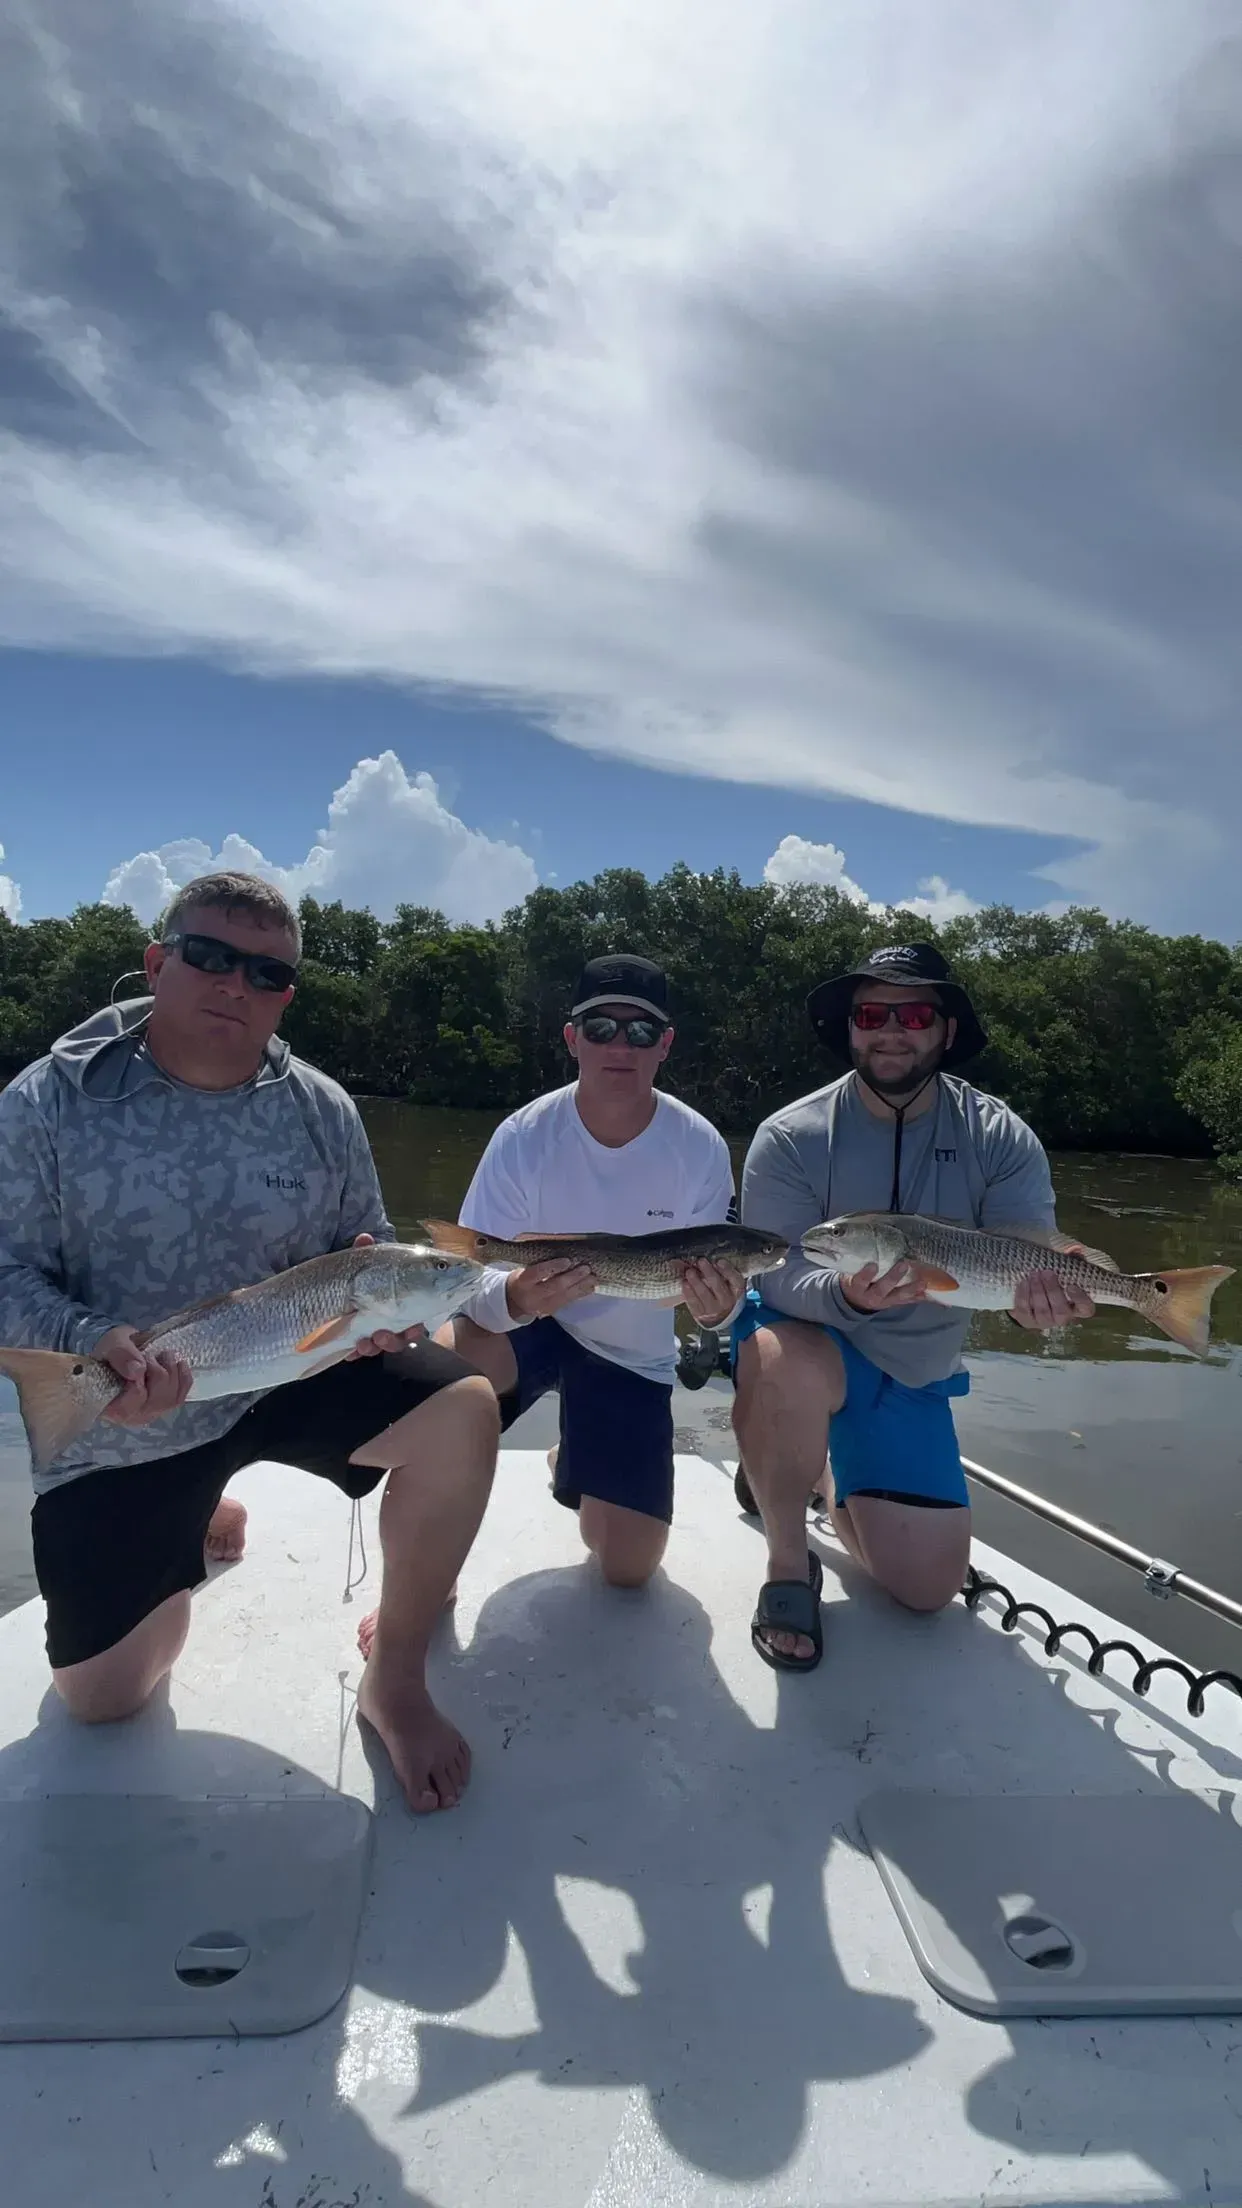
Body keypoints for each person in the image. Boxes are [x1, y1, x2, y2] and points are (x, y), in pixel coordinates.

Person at [0, 871, 498, 1813]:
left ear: (287, 997)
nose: (235, 984)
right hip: (129, 1401)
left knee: (464, 1407)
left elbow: (364, 1241)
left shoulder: (322, 1109)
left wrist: (376, 1319)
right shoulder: (46, 1103)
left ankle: (394, 1673)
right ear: (157, 963)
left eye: (265, 973)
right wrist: (86, 1342)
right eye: (209, 957)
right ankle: (197, 1505)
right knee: (104, 1701)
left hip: (290, 1368)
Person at [732, 941, 1093, 1671]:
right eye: (871, 1012)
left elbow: (1023, 1261)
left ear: (946, 1030)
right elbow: (775, 1271)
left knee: (926, 1589)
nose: (890, 1029)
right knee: (777, 1359)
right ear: (850, 1028)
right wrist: (841, 1293)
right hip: (814, 1345)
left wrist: (1041, 1307)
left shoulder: (1000, 1136)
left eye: (915, 1012)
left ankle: (812, 1469)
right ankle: (786, 1562)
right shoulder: (790, 1136)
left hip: (915, 1371)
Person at [416, 955, 744, 1591]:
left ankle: (575, 1452)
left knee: (628, 1568)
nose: (620, 1045)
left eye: (642, 1032)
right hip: (525, 1328)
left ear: (665, 1046)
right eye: (600, 1028)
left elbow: (720, 1298)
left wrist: (715, 1310)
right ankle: (425, 1572)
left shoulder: (699, 1146)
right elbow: (465, 1279)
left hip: (632, 1355)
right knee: (436, 1385)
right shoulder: (523, 1136)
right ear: (572, 1039)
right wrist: (514, 1295)